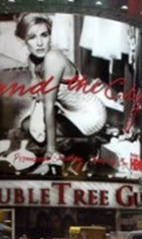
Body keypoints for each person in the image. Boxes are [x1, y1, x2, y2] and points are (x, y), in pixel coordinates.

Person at [15, 13, 107, 175]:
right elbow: (39, 99)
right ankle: (76, 150)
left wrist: (51, 150)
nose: (40, 43)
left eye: (44, 35)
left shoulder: (53, 58)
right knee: (27, 126)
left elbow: (48, 106)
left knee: (36, 134)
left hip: (90, 116)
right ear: (24, 41)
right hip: (68, 112)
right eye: (32, 37)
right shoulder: (33, 59)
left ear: (50, 36)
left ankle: (87, 149)